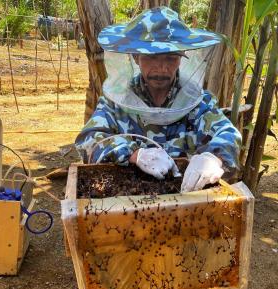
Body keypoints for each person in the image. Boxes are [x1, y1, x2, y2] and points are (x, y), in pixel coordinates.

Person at [75, 7, 241, 192]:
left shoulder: (199, 103)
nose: (162, 68)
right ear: (136, 57)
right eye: (152, 57)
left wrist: (212, 157)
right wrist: (133, 153)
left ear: (181, 59)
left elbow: (228, 134)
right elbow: (88, 140)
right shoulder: (116, 102)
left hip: (187, 198)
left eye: (171, 58)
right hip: (130, 198)